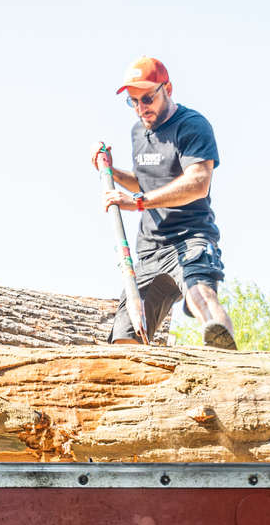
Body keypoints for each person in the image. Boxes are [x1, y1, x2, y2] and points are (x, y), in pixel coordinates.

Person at [90, 56, 236, 350]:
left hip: (191, 237)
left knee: (201, 293)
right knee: (125, 335)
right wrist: (111, 171)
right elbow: (146, 180)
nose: (141, 108)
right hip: (150, 248)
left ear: (167, 88)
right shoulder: (138, 132)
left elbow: (198, 182)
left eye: (147, 99)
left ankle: (223, 352)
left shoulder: (192, 126)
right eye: (133, 102)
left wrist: (139, 203)